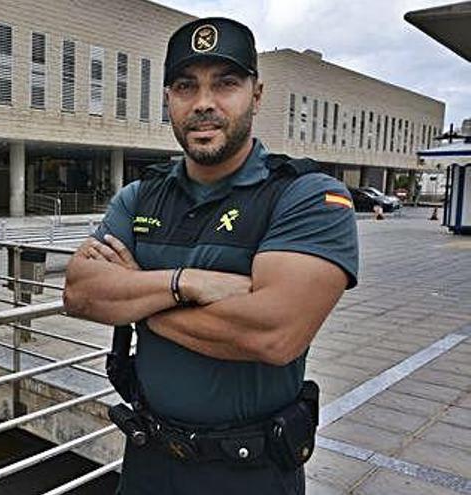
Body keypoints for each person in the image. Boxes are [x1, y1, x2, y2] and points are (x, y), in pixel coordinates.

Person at [64, 17, 358, 495]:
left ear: (256, 96)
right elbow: (81, 293)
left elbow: (272, 333)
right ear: (168, 100)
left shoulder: (304, 196)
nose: (203, 103)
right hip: (148, 462)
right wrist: (186, 283)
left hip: (250, 473)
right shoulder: (140, 196)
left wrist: (142, 300)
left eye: (225, 84)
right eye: (186, 86)